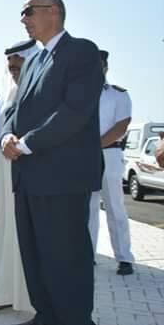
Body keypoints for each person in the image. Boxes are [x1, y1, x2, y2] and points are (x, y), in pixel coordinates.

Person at [1, 0, 103, 325]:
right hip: (29, 177)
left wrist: (27, 143)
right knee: (36, 256)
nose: (24, 19)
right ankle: (46, 316)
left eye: (29, 11)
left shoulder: (81, 52)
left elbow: (75, 111)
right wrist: (7, 136)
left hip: (63, 177)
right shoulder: (32, 61)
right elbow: (14, 111)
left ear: (54, 11)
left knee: (66, 256)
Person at [0, 39, 37, 313]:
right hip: (6, 175)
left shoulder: (39, 91)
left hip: (28, 172)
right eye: (11, 68)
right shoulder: (6, 97)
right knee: (6, 231)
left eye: (19, 66)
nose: (15, 72)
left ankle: (30, 298)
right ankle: (5, 291)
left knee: (25, 235)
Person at [88, 50, 135, 275]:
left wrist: (93, 146)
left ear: (105, 68)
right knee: (88, 208)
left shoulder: (118, 95)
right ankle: (88, 255)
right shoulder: (79, 94)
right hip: (84, 157)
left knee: (115, 207)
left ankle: (124, 258)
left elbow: (121, 126)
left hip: (109, 155)